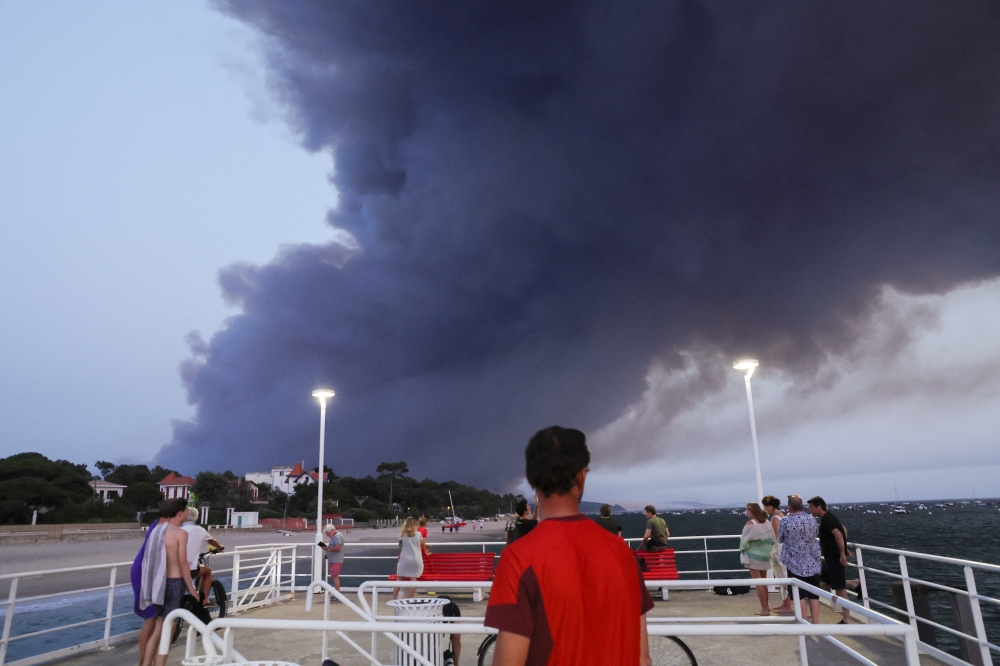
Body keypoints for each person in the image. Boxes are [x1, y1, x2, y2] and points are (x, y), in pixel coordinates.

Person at [485, 426, 653, 666]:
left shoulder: (518, 558)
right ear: (582, 475)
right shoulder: (622, 554)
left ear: (532, 480)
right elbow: (643, 659)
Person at [140, 498, 200, 666]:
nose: (188, 513)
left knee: (159, 627)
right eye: (186, 510)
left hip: (157, 584)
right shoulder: (181, 533)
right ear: (179, 513)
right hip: (174, 583)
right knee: (169, 628)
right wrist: (192, 589)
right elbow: (183, 564)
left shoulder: (157, 531)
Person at [778, 495, 822, 624]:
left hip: (794, 563)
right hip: (812, 562)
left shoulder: (785, 521)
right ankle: (816, 623)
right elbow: (815, 534)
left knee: (799, 595)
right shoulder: (812, 520)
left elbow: (779, 538)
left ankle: (803, 623)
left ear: (790, 506)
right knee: (814, 595)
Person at [809, 496, 853, 623]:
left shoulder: (828, 519)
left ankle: (847, 618)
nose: (810, 510)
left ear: (819, 507)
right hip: (829, 559)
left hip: (834, 559)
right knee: (819, 582)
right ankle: (853, 583)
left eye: (811, 507)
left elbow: (839, 534)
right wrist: (844, 549)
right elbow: (842, 529)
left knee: (840, 589)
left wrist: (842, 554)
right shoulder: (827, 518)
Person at [131, 506, 164, 666]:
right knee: (151, 619)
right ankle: (144, 662)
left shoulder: (157, 524)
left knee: (153, 619)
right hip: (146, 572)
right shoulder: (161, 527)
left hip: (146, 570)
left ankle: (146, 661)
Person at [180, 507, 224, 605]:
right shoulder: (200, 530)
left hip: (173, 568)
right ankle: (205, 600)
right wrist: (219, 547)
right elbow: (212, 541)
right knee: (207, 571)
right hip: (190, 569)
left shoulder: (178, 529)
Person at [740, 502, 775, 616]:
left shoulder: (750, 524)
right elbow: (773, 539)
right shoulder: (767, 522)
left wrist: (743, 550)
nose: (747, 512)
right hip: (765, 556)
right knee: (763, 582)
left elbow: (744, 542)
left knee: (758, 582)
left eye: (748, 510)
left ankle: (764, 609)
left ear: (753, 511)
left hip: (753, 557)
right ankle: (767, 607)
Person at [761, 495, 793, 615]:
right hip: (784, 549)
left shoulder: (775, 518)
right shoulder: (782, 515)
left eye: (765, 507)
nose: (765, 509)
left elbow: (777, 537)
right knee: (783, 576)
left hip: (778, 551)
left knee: (782, 577)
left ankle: (787, 604)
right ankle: (785, 603)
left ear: (769, 506)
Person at [392, 516, 429, 600]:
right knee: (414, 578)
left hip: (405, 559)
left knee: (399, 579)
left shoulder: (402, 534)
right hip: (416, 559)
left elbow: (400, 545)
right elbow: (420, 544)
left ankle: (393, 598)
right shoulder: (418, 534)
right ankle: (410, 599)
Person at [320, 524, 345, 593]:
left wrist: (328, 549)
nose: (327, 535)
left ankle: (337, 593)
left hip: (336, 560)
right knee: (334, 576)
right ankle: (337, 593)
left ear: (330, 531)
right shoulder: (336, 536)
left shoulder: (337, 536)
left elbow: (338, 548)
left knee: (335, 576)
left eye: (327, 533)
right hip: (334, 559)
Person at [441, 596, 462, 666]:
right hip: (452, 608)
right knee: (456, 639)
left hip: (437, 607)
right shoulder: (454, 607)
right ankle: (456, 663)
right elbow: (457, 640)